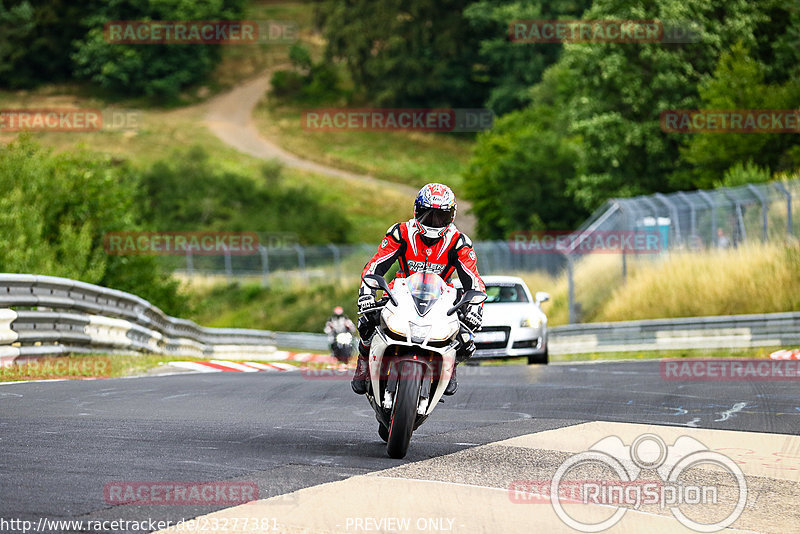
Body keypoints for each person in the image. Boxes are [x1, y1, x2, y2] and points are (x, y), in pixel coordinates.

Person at [352, 182, 485, 396]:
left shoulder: (460, 242)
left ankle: (450, 368)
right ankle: (364, 361)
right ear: (416, 210)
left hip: (442, 298)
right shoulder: (400, 232)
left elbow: (474, 279)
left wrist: (475, 308)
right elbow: (376, 265)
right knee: (367, 319)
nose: (433, 221)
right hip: (400, 291)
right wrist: (367, 293)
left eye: (440, 216)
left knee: (466, 338)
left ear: (451, 216)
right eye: (427, 214)